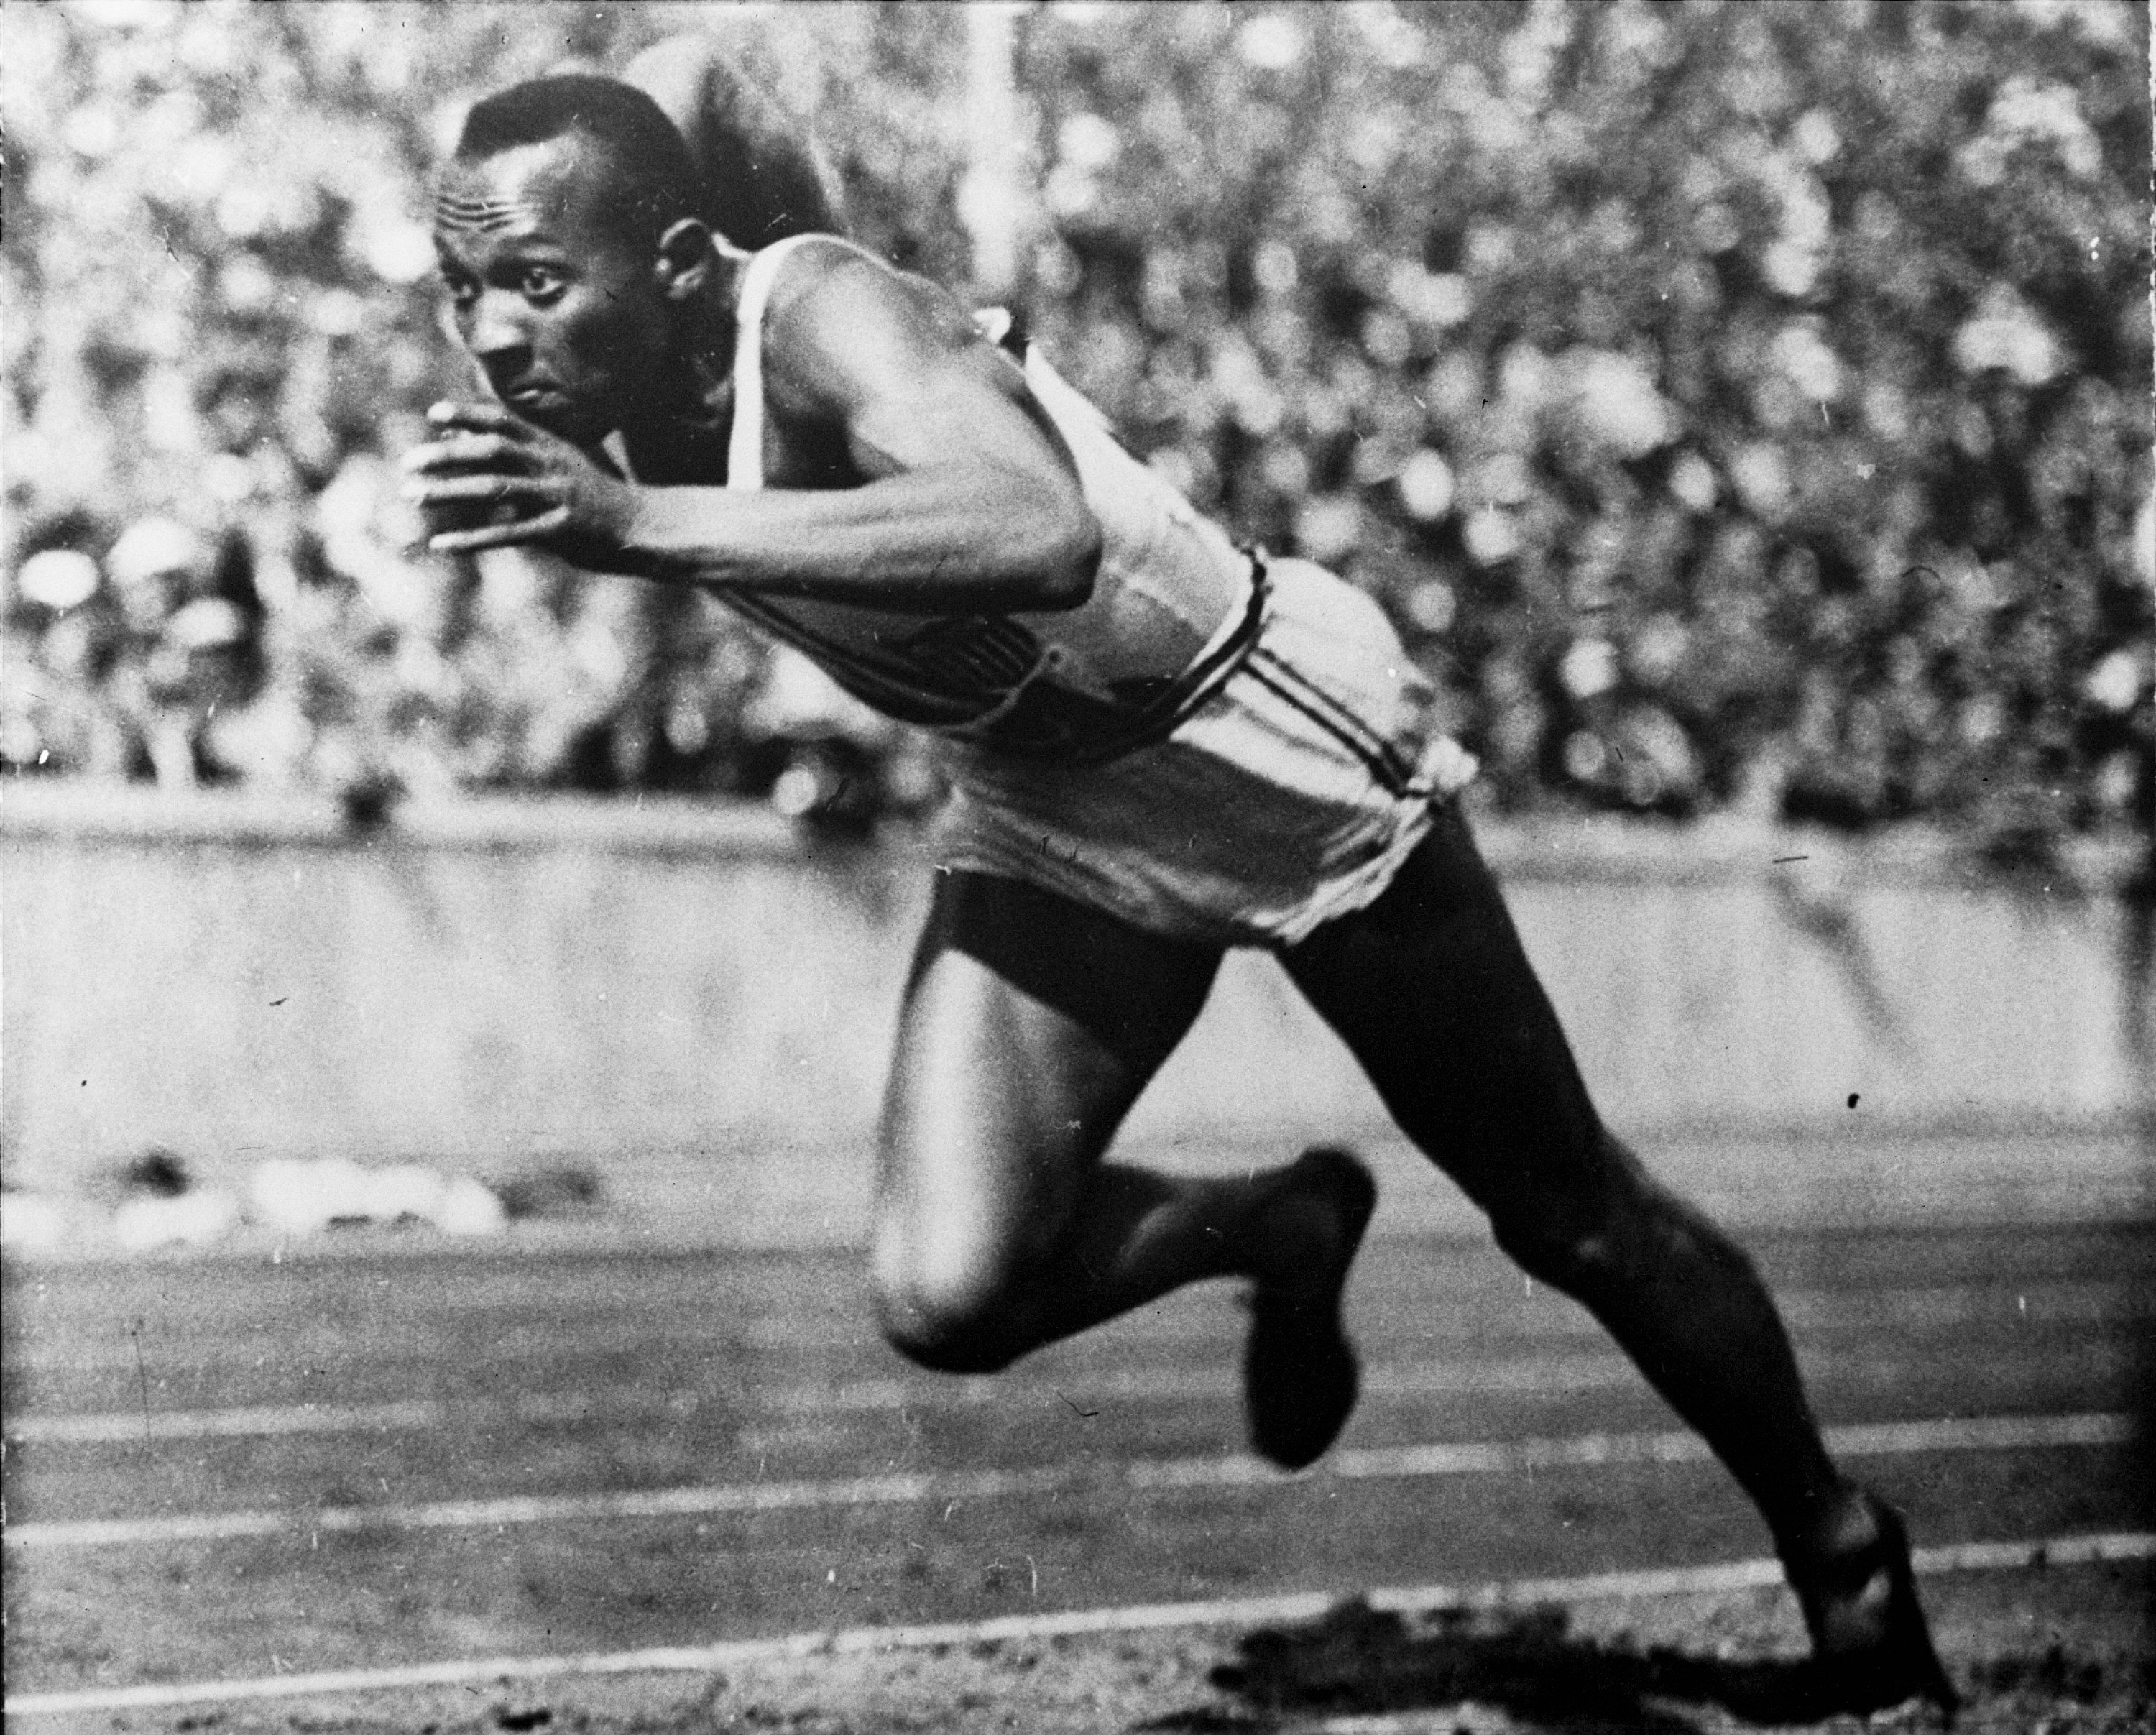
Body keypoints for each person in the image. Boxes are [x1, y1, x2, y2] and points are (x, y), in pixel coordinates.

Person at [405, 70, 1956, 1718]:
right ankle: (1274, 1226)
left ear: (684, 262)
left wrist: (642, 523)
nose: (496, 337)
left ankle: (1842, 1542)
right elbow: (704, 80)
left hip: (1257, 738)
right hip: (1053, 797)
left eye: (540, 284)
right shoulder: (633, 376)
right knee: (951, 1293)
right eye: (465, 293)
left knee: (1567, 1212)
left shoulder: (828, 322)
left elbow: (1039, 528)